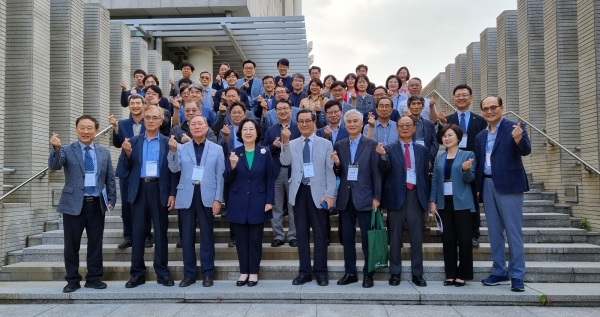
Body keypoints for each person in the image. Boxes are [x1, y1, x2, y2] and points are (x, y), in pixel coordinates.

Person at [48, 115, 116, 293]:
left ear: (95, 130)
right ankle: (72, 279)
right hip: (73, 204)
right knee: (71, 244)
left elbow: (109, 178)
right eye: (82, 128)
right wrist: (55, 148)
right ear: (76, 129)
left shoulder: (103, 152)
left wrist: (112, 198)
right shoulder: (66, 150)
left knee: (95, 242)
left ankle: (94, 277)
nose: (86, 131)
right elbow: (54, 166)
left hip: (96, 204)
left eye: (89, 128)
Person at [476, 96, 531, 292]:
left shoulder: (514, 127)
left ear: (501, 108)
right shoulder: (480, 136)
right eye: (485, 109)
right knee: (494, 232)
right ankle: (499, 271)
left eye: (493, 107)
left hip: (509, 185)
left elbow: (525, 150)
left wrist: (518, 139)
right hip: (488, 184)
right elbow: (481, 162)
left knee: (513, 232)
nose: (489, 112)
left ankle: (517, 275)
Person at [121, 106, 177, 288]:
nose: (151, 120)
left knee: (161, 233)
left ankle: (162, 272)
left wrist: (172, 193)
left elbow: (174, 172)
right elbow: (124, 169)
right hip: (139, 189)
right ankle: (137, 274)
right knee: (137, 234)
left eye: (155, 117)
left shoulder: (168, 142)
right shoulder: (133, 142)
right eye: (147, 117)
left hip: (159, 189)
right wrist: (127, 154)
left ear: (162, 121)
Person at [168, 115, 224, 288]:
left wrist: (218, 199)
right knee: (187, 237)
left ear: (207, 126)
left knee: (207, 236)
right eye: (193, 124)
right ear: (189, 129)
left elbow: (220, 176)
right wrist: (172, 151)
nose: (197, 127)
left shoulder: (217, 149)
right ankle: (189, 274)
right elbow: (174, 168)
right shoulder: (181, 148)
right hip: (186, 196)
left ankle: (208, 274)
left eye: (200, 123)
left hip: (207, 195)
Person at [280, 109, 336, 287]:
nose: (304, 124)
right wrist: (285, 142)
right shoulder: (292, 143)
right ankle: (304, 272)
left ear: (314, 122)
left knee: (320, 235)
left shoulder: (325, 144)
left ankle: (320, 272)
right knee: (301, 235)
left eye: (307, 121)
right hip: (299, 192)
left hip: (318, 192)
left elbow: (330, 172)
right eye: (301, 121)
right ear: (297, 124)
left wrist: (329, 194)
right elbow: (285, 161)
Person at [330, 109, 382, 288]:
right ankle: (350, 272)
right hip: (345, 198)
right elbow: (338, 172)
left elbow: (377, 173)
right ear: (345, 125)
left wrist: (377, 197)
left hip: (366, 198)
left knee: (368, 240)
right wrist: (336, 164)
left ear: (362, 124)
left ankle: (369, 274)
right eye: (349, 122)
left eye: (355, 121)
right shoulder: (339, 145)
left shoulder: (372, 144)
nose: (352, 124)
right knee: (347, 239)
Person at [377, 116, 429, 287]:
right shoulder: (389, 149)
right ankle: (395, 273)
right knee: (395, 238)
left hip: (416, 195)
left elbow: (424, 176)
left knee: (416, 238)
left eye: (408, 125)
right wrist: (383, 157)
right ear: (396, 129)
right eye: (401, 126)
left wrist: (428, 199)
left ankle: (417, 274)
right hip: (396, 197)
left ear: (414, 128)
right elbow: (384, 170)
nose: (405, 128)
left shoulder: (422, 150)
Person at [224, 118, 275, 287]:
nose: (247, 132)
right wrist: (232, 166)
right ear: (240, 133)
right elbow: (227, 179)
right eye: (244, 129)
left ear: (257, 132)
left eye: (251, 129)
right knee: (241, 241)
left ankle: (253, 273)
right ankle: (243, 272)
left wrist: (269, 200)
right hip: (238, 202)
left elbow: (270, 178)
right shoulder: (234, 152)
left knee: (255, 240)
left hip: (258, 202)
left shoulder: (265, 152)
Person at [438, 84, 487, 247]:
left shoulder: (480, 120)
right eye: (458, 95)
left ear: (471, 98)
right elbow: (442, 140)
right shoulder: (448, 120)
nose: (461, 98)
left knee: (473, 198)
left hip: (472, 165)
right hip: (451, 164)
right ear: (454, 98)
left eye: (464, 95)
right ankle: (452, 232)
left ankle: (473, 234)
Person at [429, 124, 476, 287]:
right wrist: (432, 201)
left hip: (462, 203)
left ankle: (462, 274)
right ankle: (450, 274)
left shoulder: (468, 155)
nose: (447, 138)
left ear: (458, 137)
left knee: (464, 240)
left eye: (450, 135)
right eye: (444, 136)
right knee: (447, 240)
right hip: (443, 203)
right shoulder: (439, 157)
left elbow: (470, 179)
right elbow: (435, 180)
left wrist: (465, 170)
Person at [109, 95, 153, 249]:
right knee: (127, 206)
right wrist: (115, 128)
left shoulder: (149, 121)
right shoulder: (121, 123)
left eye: (138, 103)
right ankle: (128, 236)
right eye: (132, 103)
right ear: (128, 106)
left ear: (144, 105)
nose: (135, 106)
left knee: (145, 205)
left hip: (145, 168)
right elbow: (116, 144)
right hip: (126, 169)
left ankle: (147, 236)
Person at [263, 99, 301, 248]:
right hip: (276, 172)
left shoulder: (298, 128)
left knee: (293, 206)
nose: (282, 111)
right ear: (275, 112)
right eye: (279, 109)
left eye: (285, 108)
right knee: (276, 206)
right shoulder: (271, 130)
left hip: (294, 171)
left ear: (291, 110)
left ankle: (293, 235)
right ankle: (278, 236)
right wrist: (273, 147)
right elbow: (264, 150)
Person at [218, 101, 250, 248]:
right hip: (231, 172)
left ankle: (247, 235)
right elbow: (220, 152)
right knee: (232, 206)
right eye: (234, 112)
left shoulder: (250, 129)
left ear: (245, 114)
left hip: (248, 172)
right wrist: (225, 138)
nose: (237, 115)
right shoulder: (225, 129)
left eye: (239, 112)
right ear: (230, 115)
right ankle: (234, 237)